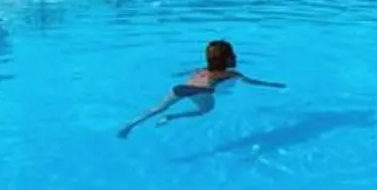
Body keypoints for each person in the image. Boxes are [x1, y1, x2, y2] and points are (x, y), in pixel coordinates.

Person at [119, 40, 285, 137]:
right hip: (201, 91)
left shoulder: (200, 70)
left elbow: (186, 73)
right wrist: (274, 85)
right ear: (228, 59)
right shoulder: (231, 74)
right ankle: (171, 117)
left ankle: (130, 125)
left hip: (181, 87)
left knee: (156, 108)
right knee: (205, 111)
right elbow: (253, 82)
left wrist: (177, 74)